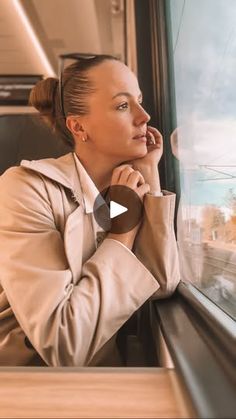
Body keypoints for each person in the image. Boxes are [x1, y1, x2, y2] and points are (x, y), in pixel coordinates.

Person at [0, 54, 180, 366]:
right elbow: (62, 342)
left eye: (139, 101)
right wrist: (122, 234)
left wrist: (149, 170)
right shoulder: (24, 189)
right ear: (79, 127)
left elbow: (161, 282)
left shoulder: (119, 192)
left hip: (94, 377)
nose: (144, 116)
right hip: (23, 381)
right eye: (123, 106)